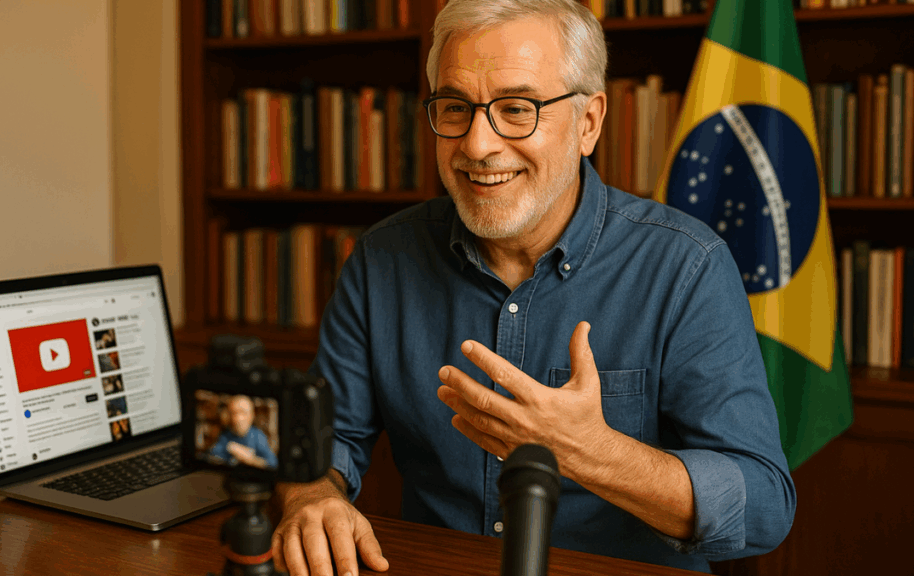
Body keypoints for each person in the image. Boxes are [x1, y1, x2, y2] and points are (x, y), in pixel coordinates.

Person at [271, 0, 795, 574]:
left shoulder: (686, 267)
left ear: (588, 123)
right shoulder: (380, 260)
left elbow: (764, 507)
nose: (476, 145)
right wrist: (310, 496)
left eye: (517, 109)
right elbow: (324, 439)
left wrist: (594, 454)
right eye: (454, 108)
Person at [208, 395, 279, 469]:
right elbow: (212, 457)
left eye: (243, 413)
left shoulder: (258, 436)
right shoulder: (225, 436)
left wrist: (251, 459)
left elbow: (273, 463)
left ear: (251, 416)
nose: (238, 418)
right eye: (234, 413)